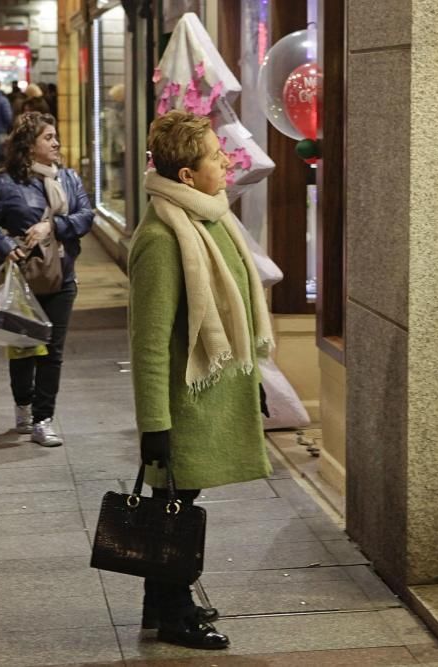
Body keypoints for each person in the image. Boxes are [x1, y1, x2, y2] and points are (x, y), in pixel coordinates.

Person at [128, 110, 274, 650]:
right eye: (215, 155)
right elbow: (147, 341)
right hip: (182, 406)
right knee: (176, 508)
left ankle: (160, 603)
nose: (225, 160)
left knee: (178, 505)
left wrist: (250, 376)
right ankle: (175, 613)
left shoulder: (210, 219)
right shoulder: (163, 238)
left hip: (211, 396)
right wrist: (154, 426)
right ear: (187, 175)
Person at [0, 112, 94, 446]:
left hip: (62, 274)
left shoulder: (68, 178)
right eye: (48, 137)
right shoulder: (5, 183)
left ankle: (44, 419)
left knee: (52, 350)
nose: (56, 143)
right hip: (22, 277)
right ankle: (23, 404)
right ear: (29, 145)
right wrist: (5, 245)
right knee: (25, 347)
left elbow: (86, 217)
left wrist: (52, 226)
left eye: (56, 137)